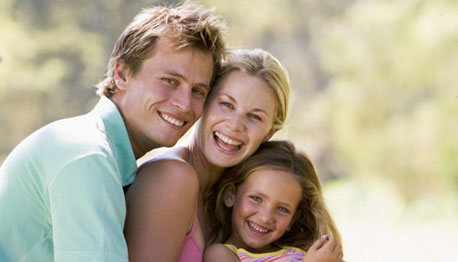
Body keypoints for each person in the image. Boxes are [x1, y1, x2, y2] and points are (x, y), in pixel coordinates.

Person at [0, 2, 226, 261]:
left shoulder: (102, 156)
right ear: (122, 74)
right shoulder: (88, 156)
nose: (185, 104)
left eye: (198, 91)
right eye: (170, 81)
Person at [124, 48, 290, 261]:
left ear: (270, 133)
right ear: (204, 102)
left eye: (254, 117)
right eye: (227, 105)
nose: (235, 125)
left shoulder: (240, 204)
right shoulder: (171, 177)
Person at [203, 140, 344, 262]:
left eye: (283, 209)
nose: (265, 218)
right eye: (256, 199)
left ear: (294, 218)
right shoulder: (220, 254)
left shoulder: (304, 253)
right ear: (231, 195)